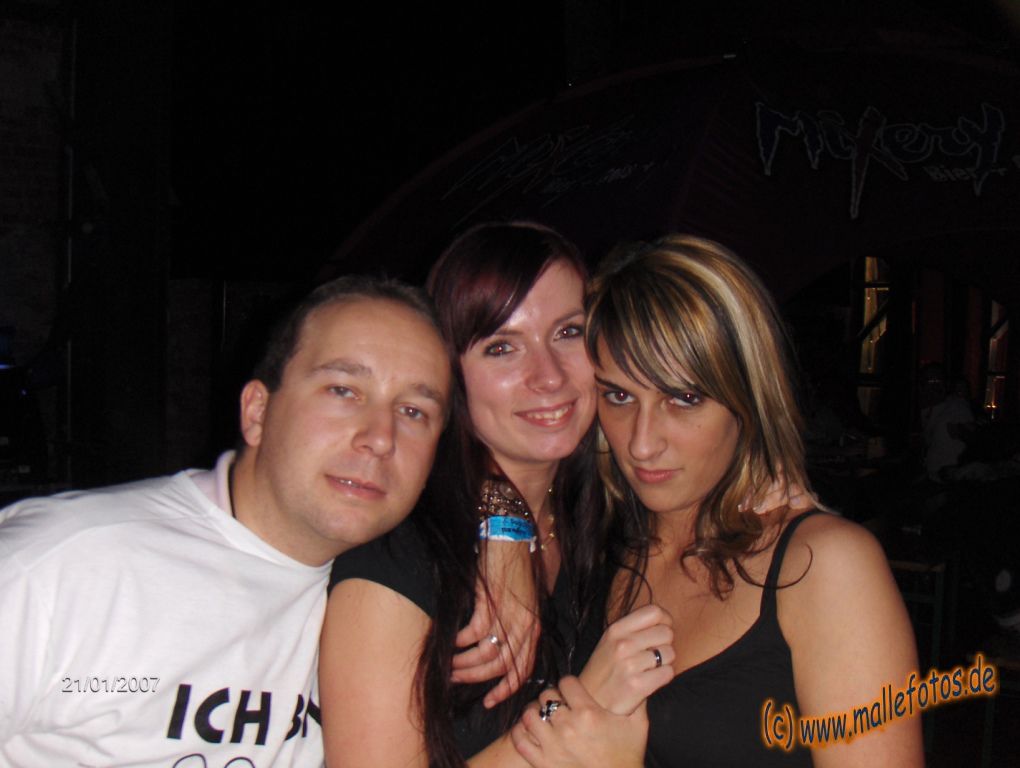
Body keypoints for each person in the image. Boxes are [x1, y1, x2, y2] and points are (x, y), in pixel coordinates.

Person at [0, 276, 452, 766]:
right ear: (257, 411)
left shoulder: (402, 595)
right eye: (343, 390)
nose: (381, 437)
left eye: (414, 411)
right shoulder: (60, 566)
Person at [515, 235, 923, 766]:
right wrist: (499, 522)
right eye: (619, 395)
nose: (641, 443)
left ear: (747, 397)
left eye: (684, 398)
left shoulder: (826, 566)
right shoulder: (597, 537)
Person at [320, 223, 673, 767]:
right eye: (502, 347)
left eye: (568, 332)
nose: (548, 377)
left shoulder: (614, 518)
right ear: (450, 374)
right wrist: (578, 706)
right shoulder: (397, 557)